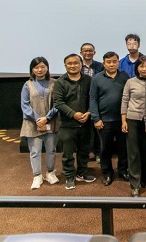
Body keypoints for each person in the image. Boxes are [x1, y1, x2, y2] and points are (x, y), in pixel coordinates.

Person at [53, 53, 95, 190]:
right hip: (67, 124)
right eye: (69, 63)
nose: (73, 66)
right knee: (68, 154)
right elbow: (58, 102)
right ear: (65, 66)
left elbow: (93, 99)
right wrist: (73, 114)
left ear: (81, 64)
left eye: (76, 63)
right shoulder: (60, 82)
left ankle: (82, 173)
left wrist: (89, 112)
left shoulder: (88, 80)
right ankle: (69, 176)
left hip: (86, 123)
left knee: (84, 151)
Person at [90, 51, 130, 186]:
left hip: (122, 120)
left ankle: (123, 171)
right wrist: (96, 118)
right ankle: (107, 173)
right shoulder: (97, 78)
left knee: (123, 148)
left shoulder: (124, 76)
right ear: (104, 63)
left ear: (118, 62)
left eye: (114, 61)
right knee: (105, 149)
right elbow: (93, 99)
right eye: (108, 62)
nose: (112, 64)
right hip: (104, 121)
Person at [20, 57, 59, 189]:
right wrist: (38, 119)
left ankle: (50, 173)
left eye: (42, 67)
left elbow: (58, 103)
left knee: (51, 150)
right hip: (32, 123)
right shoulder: (27, 85)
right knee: (35, 151)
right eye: (36, 67)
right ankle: (37, 176)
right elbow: (25, 105)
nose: (40, 69)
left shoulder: (55, 83)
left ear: (47, 68)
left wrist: (46, 118)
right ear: (32, 70)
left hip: (51, 121)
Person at [121, 56, 146, 197]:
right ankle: (135, 184)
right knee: (133, 152)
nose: (144, 69)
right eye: (141, 66)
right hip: (132, 119)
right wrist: (124, 120)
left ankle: (145, 179)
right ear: (137, 68)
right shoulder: (130, 82)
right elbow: (124, 100)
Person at [80, 42, 103, 163]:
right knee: (84, 129)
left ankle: (98, 153)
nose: (88, 53)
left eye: (90, 50)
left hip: (97, 99)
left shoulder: (100, 66)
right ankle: (85, 154)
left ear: (94, 52)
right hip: (82, 99)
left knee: (97, 129)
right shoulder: (77, 66)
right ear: (81, 53)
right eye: (85, 50)